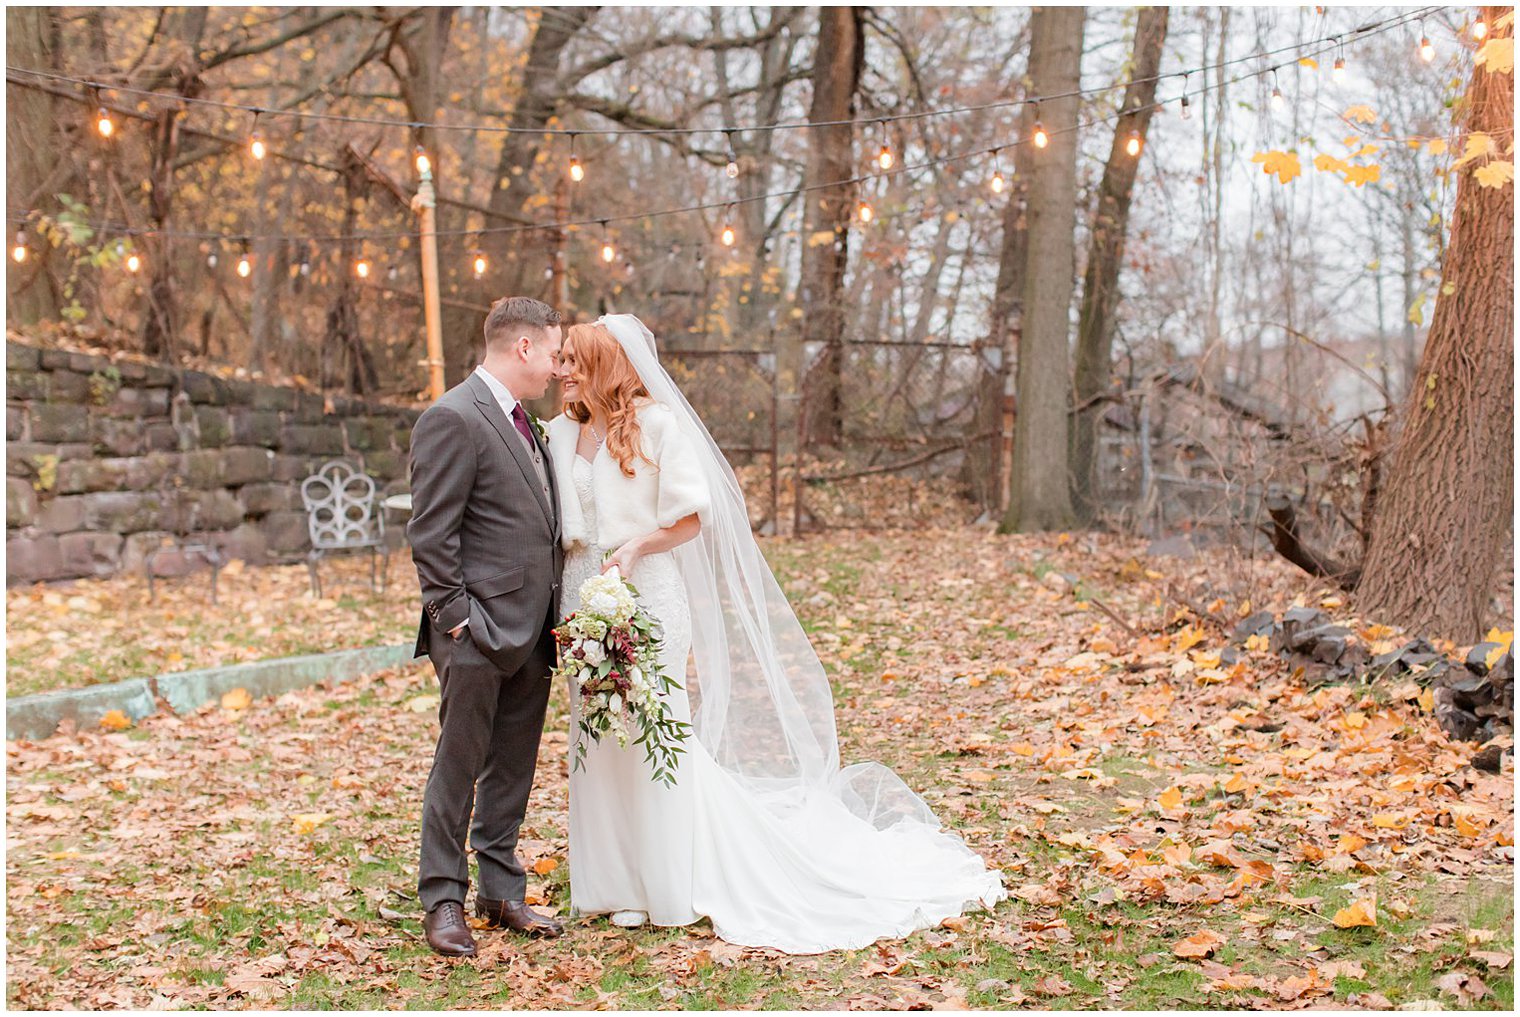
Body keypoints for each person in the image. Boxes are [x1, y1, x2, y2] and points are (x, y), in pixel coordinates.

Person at [545, 314, 1006, 954]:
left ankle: (664, 881)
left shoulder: (655, 426)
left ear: (604, 364)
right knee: (594, 731)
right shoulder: (558, 432)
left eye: (572, 359)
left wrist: (636, 549)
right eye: (559, 358)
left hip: (646, 593)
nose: (560, 369)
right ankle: (610, 883)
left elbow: (690, 518)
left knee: (654, 726)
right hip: (581, 596)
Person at [406, 296, 566, 957]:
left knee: (514, 765)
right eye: (555, 353)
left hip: (533, 627)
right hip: (474, 632)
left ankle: (499, 889)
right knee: (460, 762)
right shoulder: (452, 416)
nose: (559, 367)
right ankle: (442, 897)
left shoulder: (528, 424)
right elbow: (431, 530)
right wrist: (455, 621)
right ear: (522, 347)